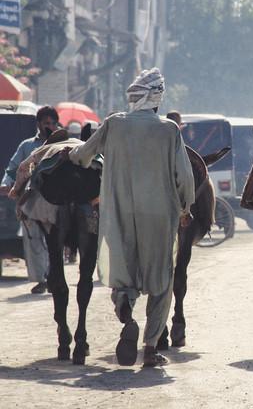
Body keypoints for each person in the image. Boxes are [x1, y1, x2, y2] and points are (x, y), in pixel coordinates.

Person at [67, 68, 195, 367]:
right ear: (157, 99)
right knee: (162, 279)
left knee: (124, 267)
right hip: (159, 215)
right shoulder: (168, 130)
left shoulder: (113, 123)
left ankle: (124, 302)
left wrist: (70, 155)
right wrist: (186, 208)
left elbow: (84, 155)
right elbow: (184, 177)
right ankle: (150, 348)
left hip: (119, 211)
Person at [0, 106, 59, 294]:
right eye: (46, 123)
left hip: (56, 202)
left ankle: (54, 277)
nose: (49, 126)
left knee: (54, 242)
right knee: (33, 240)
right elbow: (13, 168)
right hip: (31, 200)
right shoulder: (27, 146)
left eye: (52, 123)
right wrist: (6, 184)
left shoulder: (62, 145)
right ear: (39, 124)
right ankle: (42, 279)